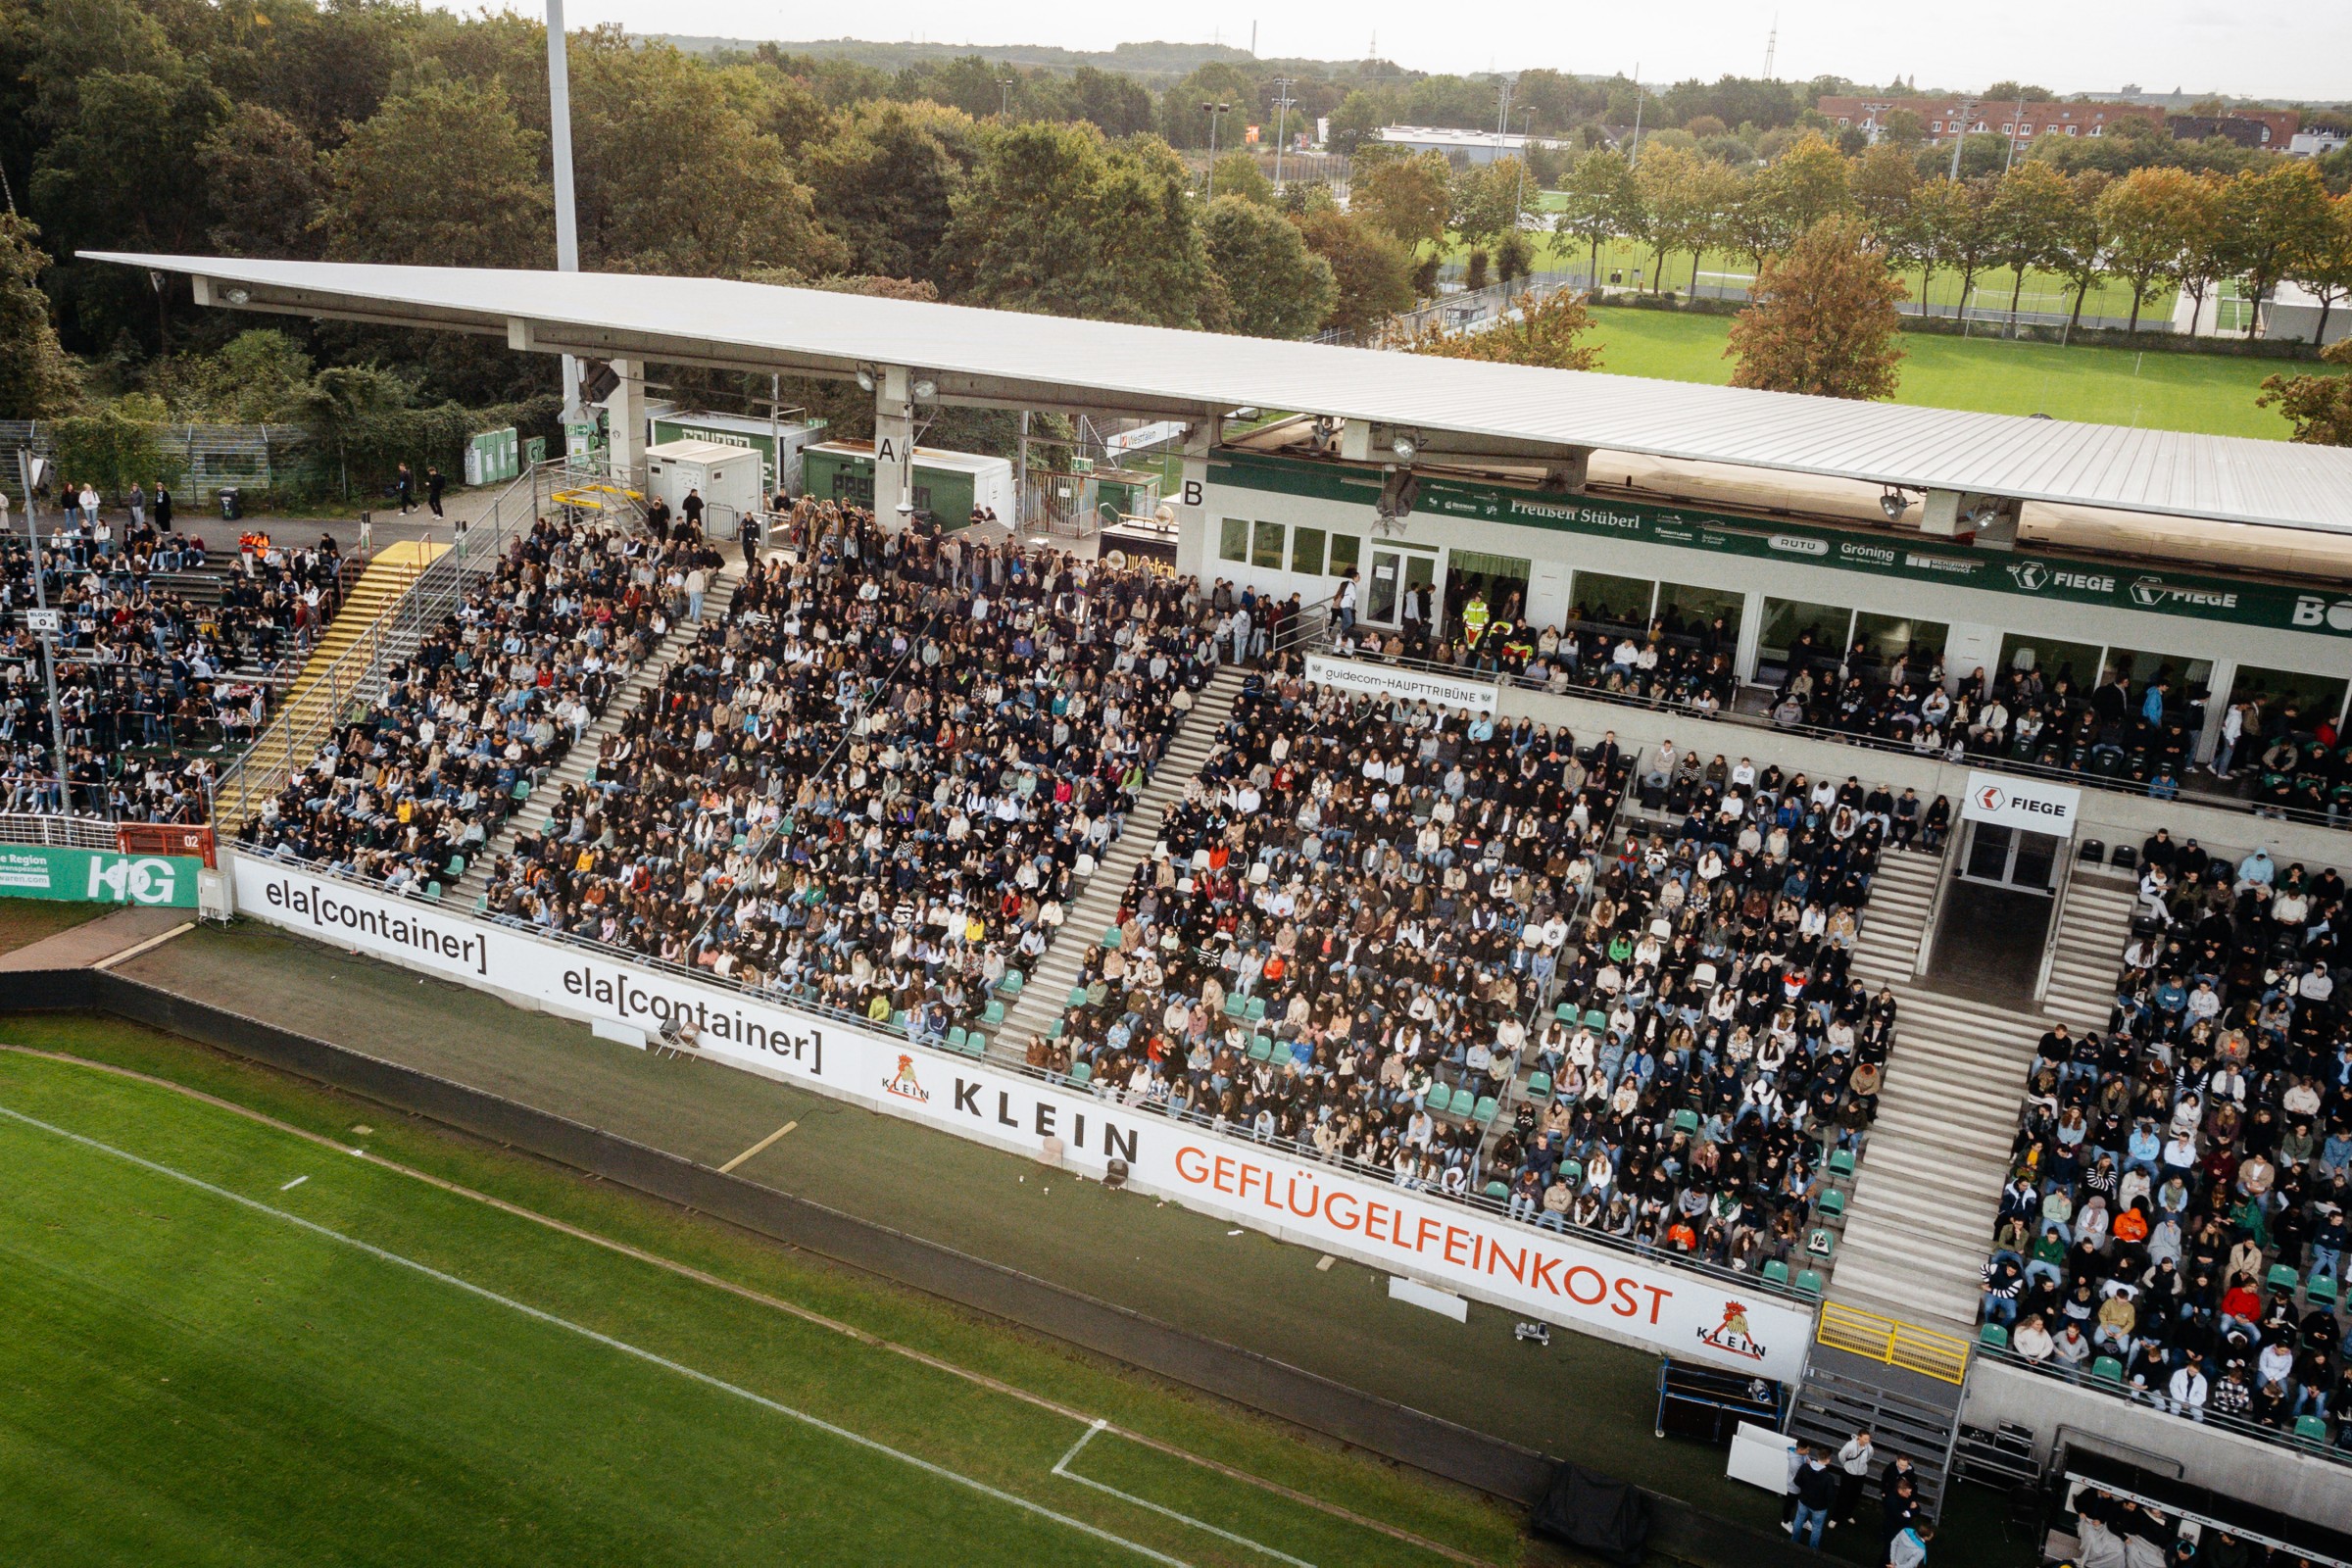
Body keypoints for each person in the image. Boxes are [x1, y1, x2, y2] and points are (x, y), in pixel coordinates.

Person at [1791, 1449, 1838, 1548]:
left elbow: (1796, 1481)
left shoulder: (1805, 1467)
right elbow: (1830, 1496)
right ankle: (1813, 1549)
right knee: (1816, 1528)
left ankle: (1793, 1541)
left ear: (1818, 1456)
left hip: (1804, 1500)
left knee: (1799, 1519)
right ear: (1828, 1460)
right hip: (1819, 1507)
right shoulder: (1829, 1478)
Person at [1835, 1428, 1873, 1526]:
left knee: (1855, 1496)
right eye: (1865, 1439)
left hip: (1861, 1474)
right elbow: (1841, 1456)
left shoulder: (1870, 1448)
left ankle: (1848, 1514)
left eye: (1868, 1439)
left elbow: (1868, 1458)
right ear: (1859, 1437)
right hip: (1848, 1473)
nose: (1867, 1441)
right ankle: (1836, 1517)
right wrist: (1847, 1466)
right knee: (1843, 1495)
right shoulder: (1850, 1446)